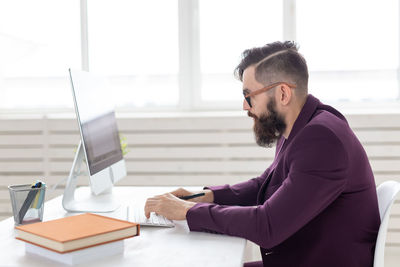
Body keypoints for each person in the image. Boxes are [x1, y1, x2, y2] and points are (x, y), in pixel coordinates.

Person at [144, 41, 380, 267]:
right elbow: (264, 186)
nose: (245, 106)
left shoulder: (321, 140)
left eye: (249, 95)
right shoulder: (304, 126)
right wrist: (204, 196)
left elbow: (268, 225)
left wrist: (188, 211)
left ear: (283, 94)